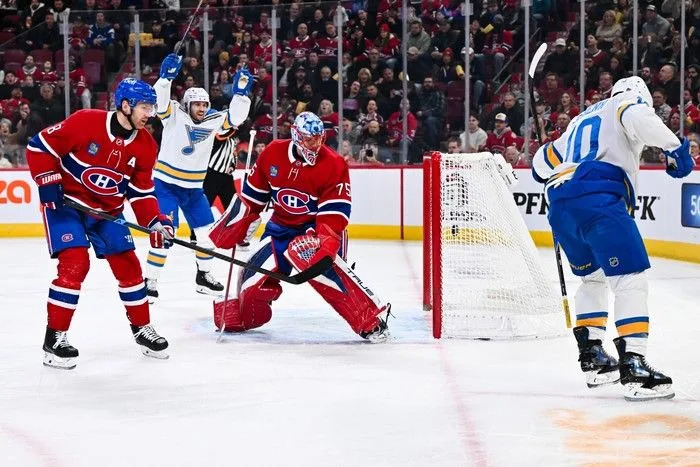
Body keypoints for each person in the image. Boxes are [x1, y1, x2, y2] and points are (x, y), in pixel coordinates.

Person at [532, 76, 694, 401]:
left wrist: (550, 150)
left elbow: (540, 165)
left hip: (561, 203)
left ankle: (593, 358)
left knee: (593, 280)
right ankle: (634, 364)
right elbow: (637, 118)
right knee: (629, 281)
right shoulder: (625, 104)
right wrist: (675, 148)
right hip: (599, 197)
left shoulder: (580, 118)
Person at [25, 78, 174, 369]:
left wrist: (156, 221)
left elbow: (142, 192)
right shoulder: (86, 122)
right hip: (67, 206)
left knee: (130, 266)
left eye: (152, 108)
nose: (150, 114)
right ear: (126, 105)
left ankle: (142, 329)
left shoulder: (146, 144)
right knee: (75, 264)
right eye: (145, 107)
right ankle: (54, 339)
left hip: (108, 211)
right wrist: (47, 179)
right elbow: (39, 147)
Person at [208, 111, 391, 342]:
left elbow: (334, 214)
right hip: (279, 229)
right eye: (309, 139)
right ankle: (245, 316)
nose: (316, 145)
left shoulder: (334, 164)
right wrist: (238, 222)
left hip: (315, 231)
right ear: (296, 135)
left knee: (312, 259)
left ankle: (368, 320)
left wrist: (325, 242)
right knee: (252, 283)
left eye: (319, 139)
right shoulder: (273, 152)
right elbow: (252, 199)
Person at [144, 53, 252, 303]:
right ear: (187, 104)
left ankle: (203, 277)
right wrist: (164, 79)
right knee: (165, 233)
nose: (202, 109)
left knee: (206, 234)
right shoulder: (173, 115)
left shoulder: (214, 120)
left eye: (205, 104)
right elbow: (160, 101)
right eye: (197, 105)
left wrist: (241, 96)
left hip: (193, 189)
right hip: (166, 185)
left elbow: (235, 118)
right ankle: (150, 281)